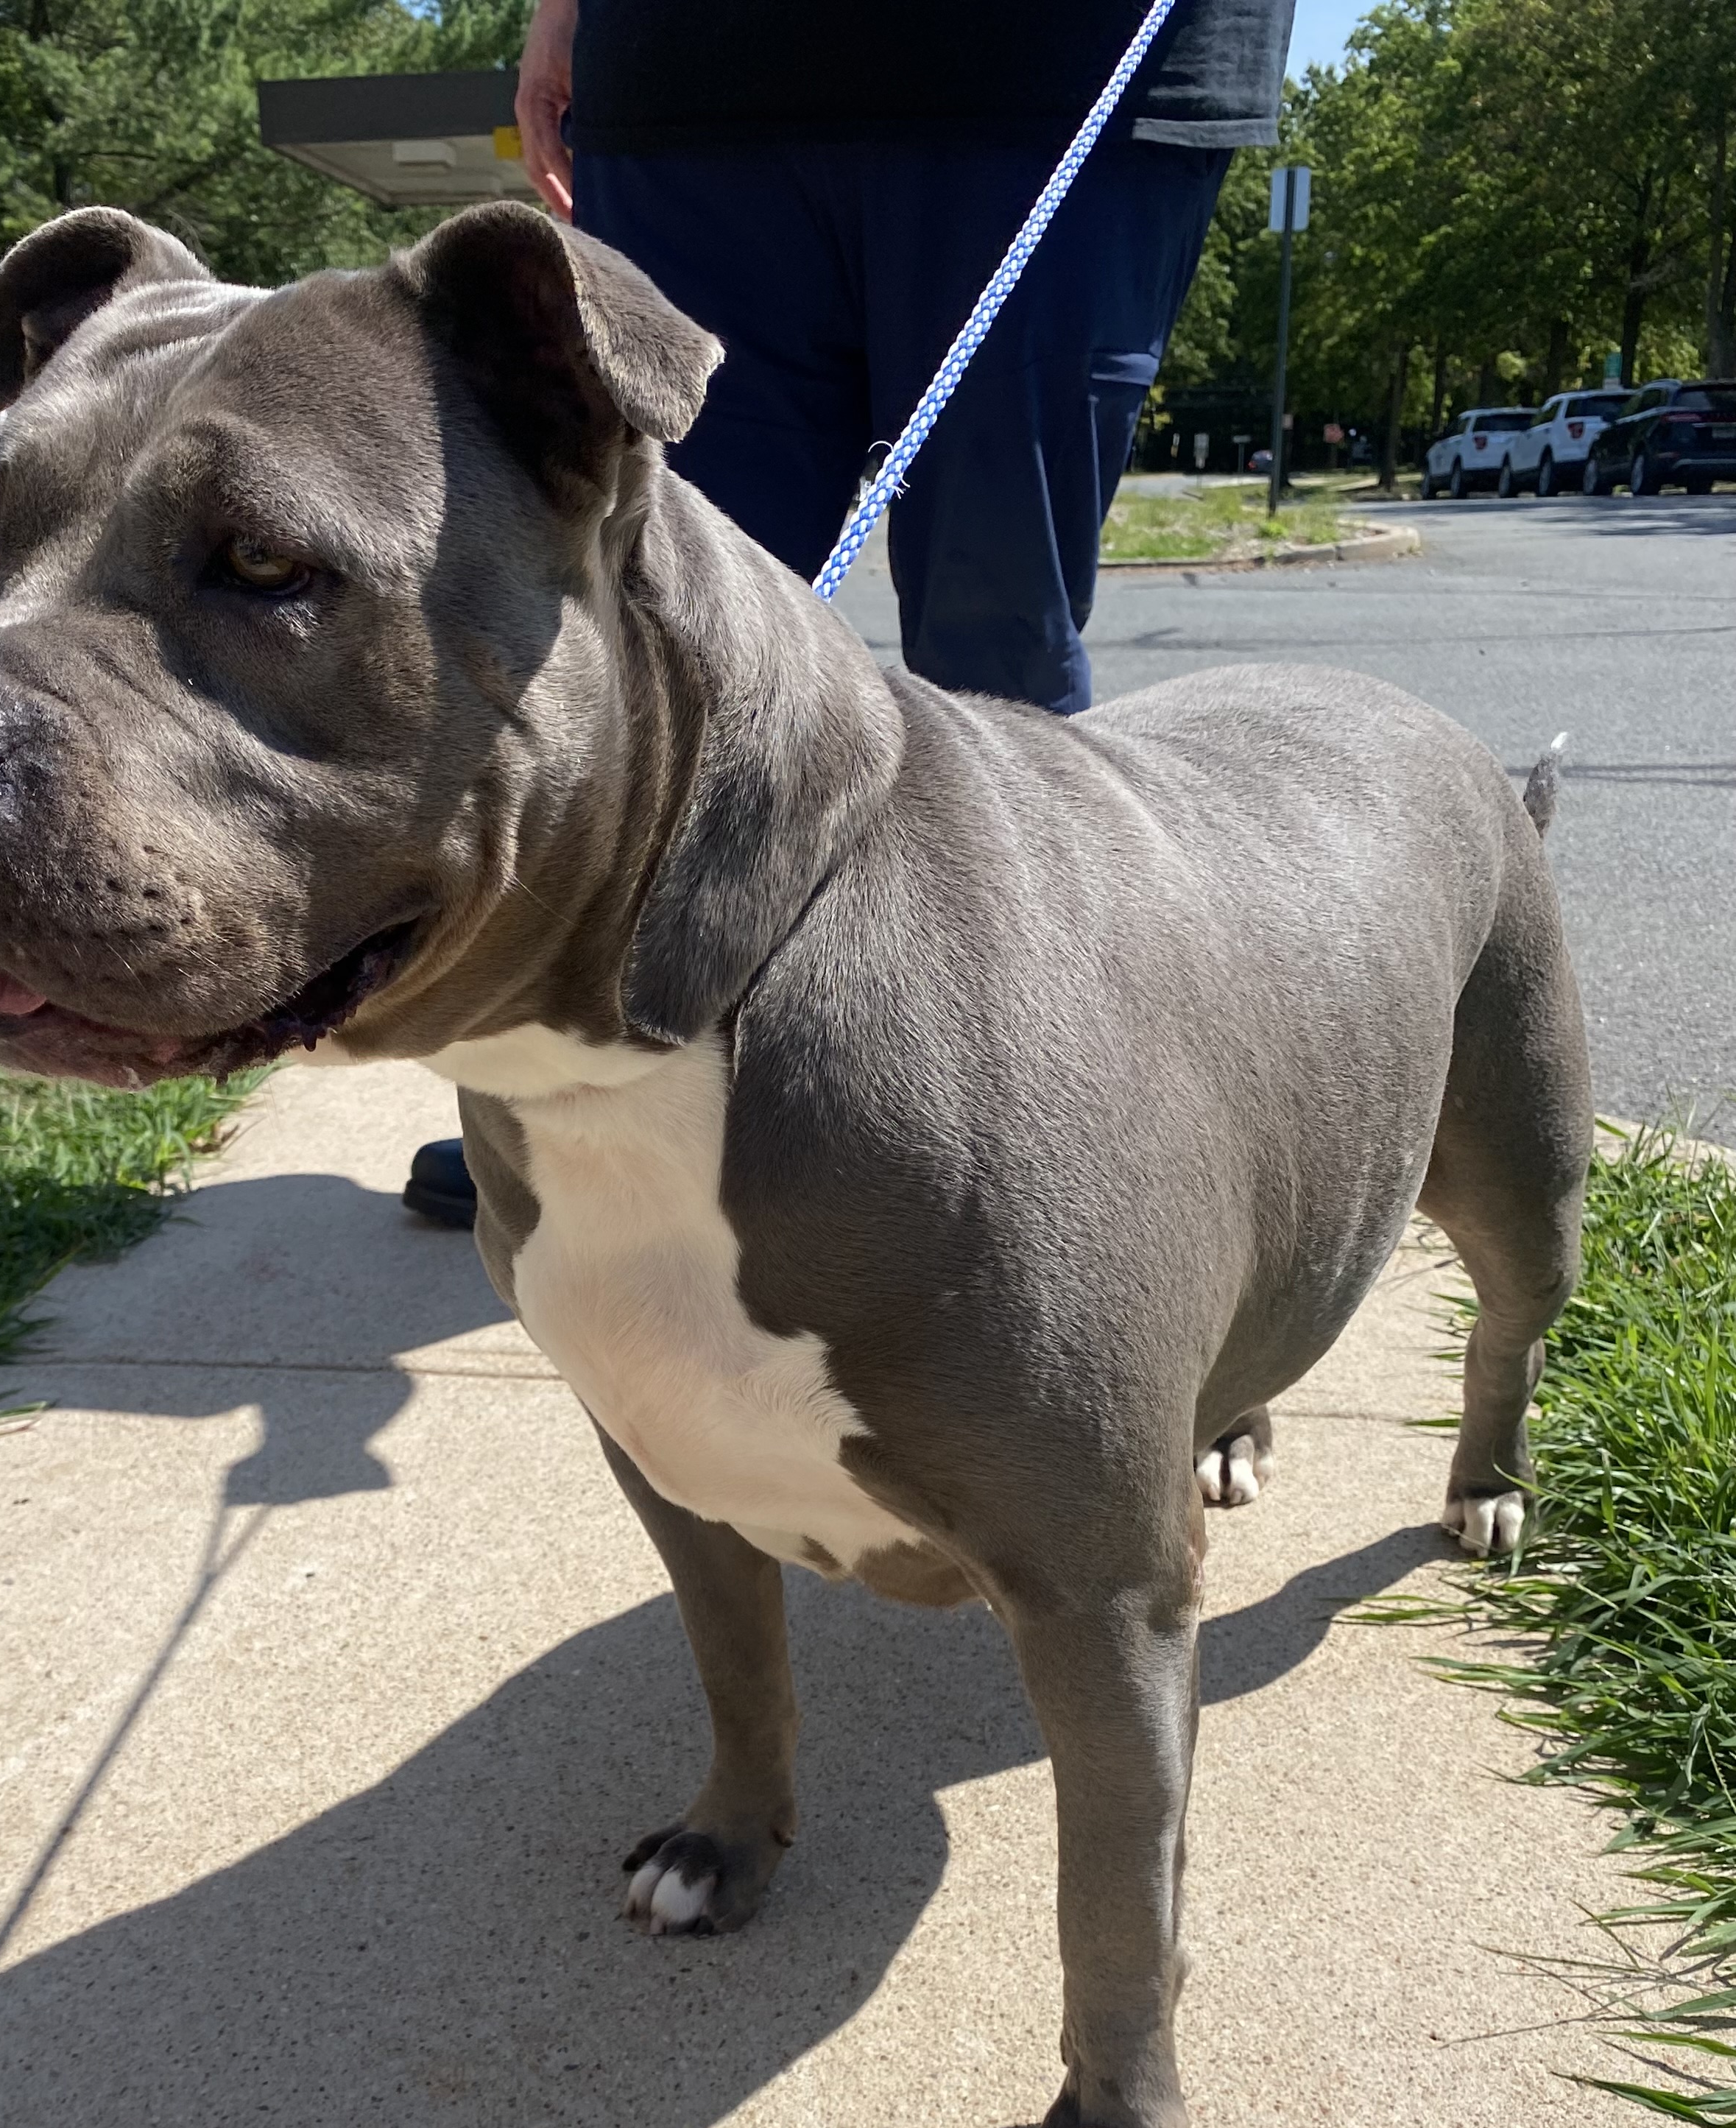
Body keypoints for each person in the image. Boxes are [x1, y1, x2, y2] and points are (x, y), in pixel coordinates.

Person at [403, 0, 1294, 1229]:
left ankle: (1030, 1103)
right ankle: (607, 1094)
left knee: (1002, 641)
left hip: (1053, 67)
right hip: (695, 81)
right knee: (665, 639)